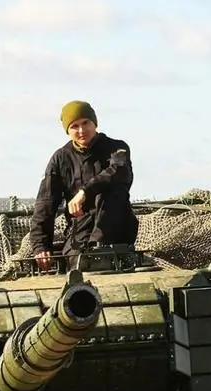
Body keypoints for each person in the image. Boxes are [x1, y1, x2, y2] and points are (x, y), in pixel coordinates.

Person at [28, 100, 137, 271]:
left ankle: (99, 246)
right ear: (68, 131)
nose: (81, 130)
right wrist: (41, 246)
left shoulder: (117, 148)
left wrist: (85, 191)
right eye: (74, 126)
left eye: (86, 123)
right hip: (80, 229)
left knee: (110, 189)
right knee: (75, 269)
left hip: (117, 230)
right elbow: (46, 203)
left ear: (94, 123)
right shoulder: (61, 159)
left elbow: (119, 171)